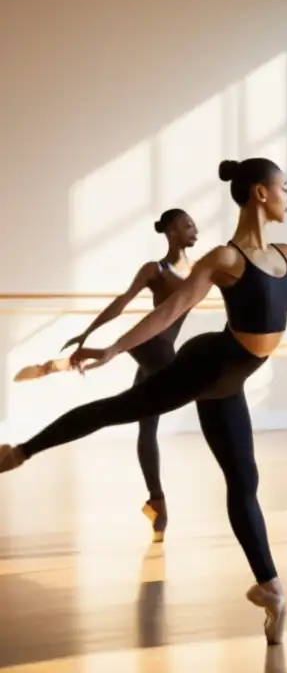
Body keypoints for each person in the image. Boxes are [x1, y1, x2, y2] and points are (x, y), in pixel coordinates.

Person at [0, 157, 287, 645]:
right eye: (284, 187)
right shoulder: (224, 259)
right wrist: (111, 349)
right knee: (118, 410)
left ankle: (270, 589)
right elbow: (169, 310)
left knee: (244, 480)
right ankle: (22, 450)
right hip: (203, 364)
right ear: (259, 194)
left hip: (228, 380)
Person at [14, 209, 199, 542]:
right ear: (171, 231)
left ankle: (156, 500)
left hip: (157, 355)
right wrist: (88, 331)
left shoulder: (199, 271)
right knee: (136, 354)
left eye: (194, 225)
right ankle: (68, 361)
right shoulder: (155, 269)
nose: (194, 229)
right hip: (153, 346)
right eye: (187, 225)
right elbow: (122, 303)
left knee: (147, 428)